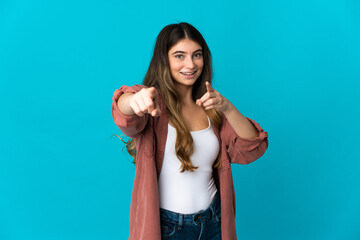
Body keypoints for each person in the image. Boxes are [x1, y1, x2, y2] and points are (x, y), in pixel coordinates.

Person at [111, 22, 269, 240]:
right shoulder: (153, 103)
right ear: (164, 59)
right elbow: (123, 112)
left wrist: (228, 108)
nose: (190, 64)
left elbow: (253, 147)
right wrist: (135, 99)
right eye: (179, 56)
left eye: (196, 55)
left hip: (213, 223)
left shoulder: (212, 108)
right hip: (168, 227)